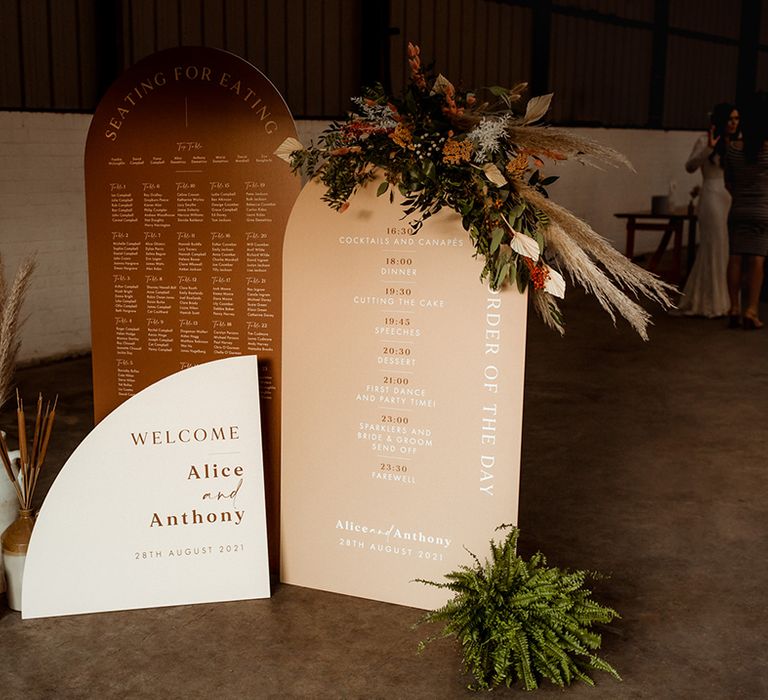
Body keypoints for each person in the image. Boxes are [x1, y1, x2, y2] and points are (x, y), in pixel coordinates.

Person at [677, 103, 739, 317]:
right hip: (711, 193)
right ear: (721, 120)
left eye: (737, 119)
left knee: (725, 247)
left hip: (728, 196)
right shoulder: (705, 140)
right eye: (730, 119)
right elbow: (690, 166)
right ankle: (708, 300)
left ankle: (724, 299)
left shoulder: (736, 142)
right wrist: (709, 149)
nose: (734, 123)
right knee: (712, 245)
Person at [724, 92, 768, 329]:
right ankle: (751, 310)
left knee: (735, 257)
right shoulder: (766, 150)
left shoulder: (733, 149)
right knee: (757, 260)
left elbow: (727, 182)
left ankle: (733, 307)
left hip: (738, 208)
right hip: (763, 211)